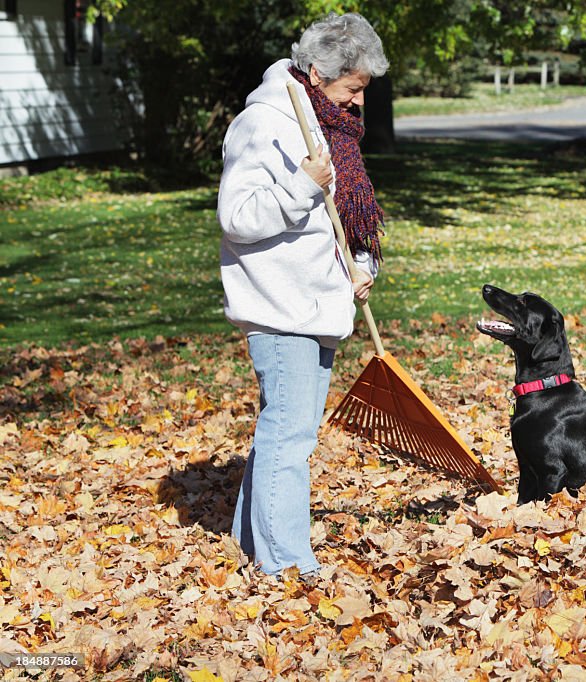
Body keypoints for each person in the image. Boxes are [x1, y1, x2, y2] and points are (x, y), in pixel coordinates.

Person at [217, 13, 388, 579]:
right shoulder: (264, 121)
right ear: (318, 72)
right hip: (279, 305)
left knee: (285, 434)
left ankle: (251, 542)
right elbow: (237, 217)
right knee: (289, 439)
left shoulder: (329, 127)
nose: (359, 100)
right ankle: (287, 564)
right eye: (354, 87)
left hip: (319, 304)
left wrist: (357, 267)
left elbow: (337, 218)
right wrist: (299, 186)